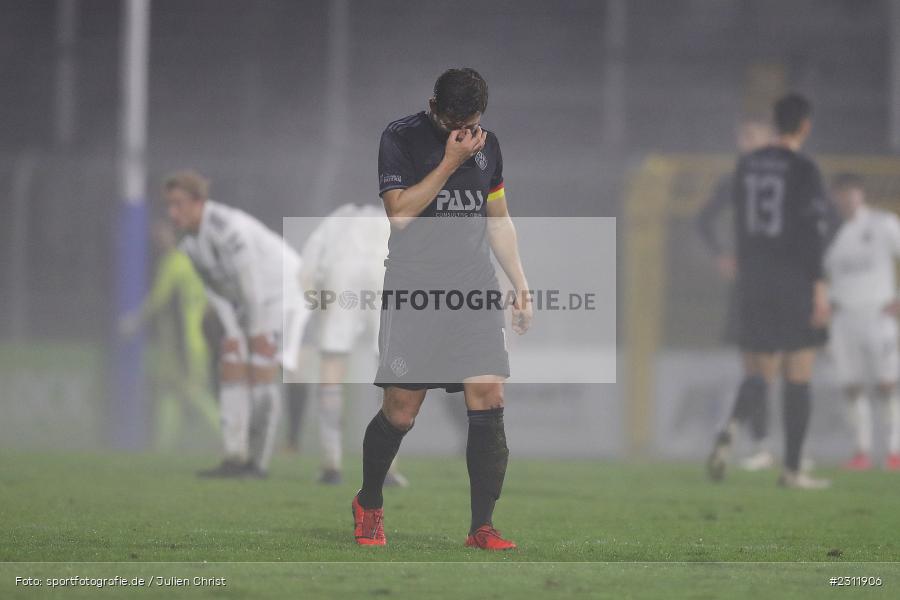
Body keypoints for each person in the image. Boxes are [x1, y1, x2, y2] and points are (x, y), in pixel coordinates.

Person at [351, 68, 532, 549]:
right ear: (434, 104)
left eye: (470, 121)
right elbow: (401, 215)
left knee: (489, 396)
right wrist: (450, 162)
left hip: (473, 289)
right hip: (415, 290)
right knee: (401, 412)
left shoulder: (488, 145)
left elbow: (498, 220)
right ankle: (369, 502)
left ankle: (482, 528)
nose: (463, 130)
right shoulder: (401, 138)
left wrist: (520, 282)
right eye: (454, 119)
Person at [706, 93, 832, 489]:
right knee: (798, 371)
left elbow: (738, 222)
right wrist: (819, 285)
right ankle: (792, 470)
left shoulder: (745, 165)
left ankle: (731, 425)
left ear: (776, 124)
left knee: (760, 370)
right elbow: (813, 231)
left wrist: (733, 258)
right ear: (805, 126)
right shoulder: (804, 168)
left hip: (752, 279)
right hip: (792, 277)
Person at [163, 170, 308, 478]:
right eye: (169, 205)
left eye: (178, 204)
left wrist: (254, 332)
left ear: (198, 201)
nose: (172, 212)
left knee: (262, 367)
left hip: (285, 292)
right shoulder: (187, 239)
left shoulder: (227, 228)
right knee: (231, 360)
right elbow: (213, 287)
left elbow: (251, 282)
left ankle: (257, 463)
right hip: (250, 299)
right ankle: (233, 456)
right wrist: (231, 331)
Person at [300, 202, 407, 486]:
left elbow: (307, 271)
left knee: (332, 364)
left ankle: (331, 463)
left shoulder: (336, 218)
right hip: (383, 268)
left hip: (341, 271)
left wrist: (318, 307)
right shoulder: (390, 216)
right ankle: (389, 467)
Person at [695, 117, 776, 471]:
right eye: (743, 137)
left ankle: (757, 441)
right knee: (755, 367)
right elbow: (703, 219)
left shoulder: (786, 177)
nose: (747, 143)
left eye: (754, 136)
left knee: (774, 367)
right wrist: (721, 254)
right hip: (750, 284)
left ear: (771, 139)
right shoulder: (736, 180)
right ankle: (760, 445)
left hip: (784, 282)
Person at [119, 219, 218, 449]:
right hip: (181, 342)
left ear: (173, 235)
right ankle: (162, 447)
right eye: (155, 235)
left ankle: (228, 437)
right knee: (168, 393)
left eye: (162, 234)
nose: (158, 240)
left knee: (191, 392)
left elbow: (158, 298)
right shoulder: (191, 263)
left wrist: (133, 323)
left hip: (184, 343)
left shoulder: (174, 263)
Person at [824, 173, 900, 471]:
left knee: (887, 383)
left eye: (851, 192)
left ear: (861, 194)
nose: (846, 198)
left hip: (878, 315)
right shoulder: (827, 232)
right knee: (851, 386)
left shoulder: (883, 224)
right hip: (842, 317)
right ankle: (861, 451)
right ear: (834, 197)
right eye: (840, 193)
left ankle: (894, 451)